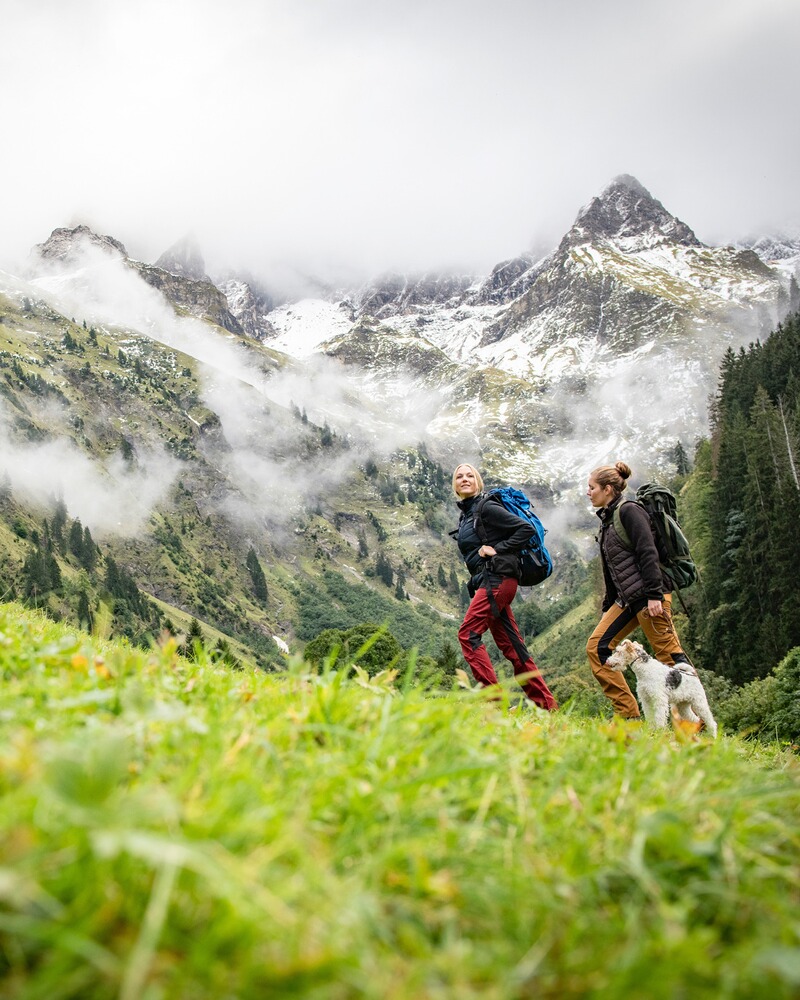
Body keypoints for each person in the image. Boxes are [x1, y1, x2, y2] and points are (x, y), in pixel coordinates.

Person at [586, 461, 695, 719]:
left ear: (608, 489)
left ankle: (691, 725)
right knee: (597, 648)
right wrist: (608, 606)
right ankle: (629, 716)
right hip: (627, 601)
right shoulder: (608, 518)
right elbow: (613, 568)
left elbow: (648, 552)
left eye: (591, 488)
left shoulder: (629, 511)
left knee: (671, 658)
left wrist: (655, 595)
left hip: (649, 598)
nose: (588, 492)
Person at [452, 463, 558, 711]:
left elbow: (526, 529)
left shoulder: (485, 506)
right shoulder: (467, 514)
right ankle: (547, 706)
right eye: (459, 477)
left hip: (497, 579)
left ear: (478, 482)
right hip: (491, 581)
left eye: (470, 475)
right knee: (512, 646)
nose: (464, 479)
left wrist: (497, 549)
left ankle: (494, 704)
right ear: (455, 486)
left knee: (468, 634)